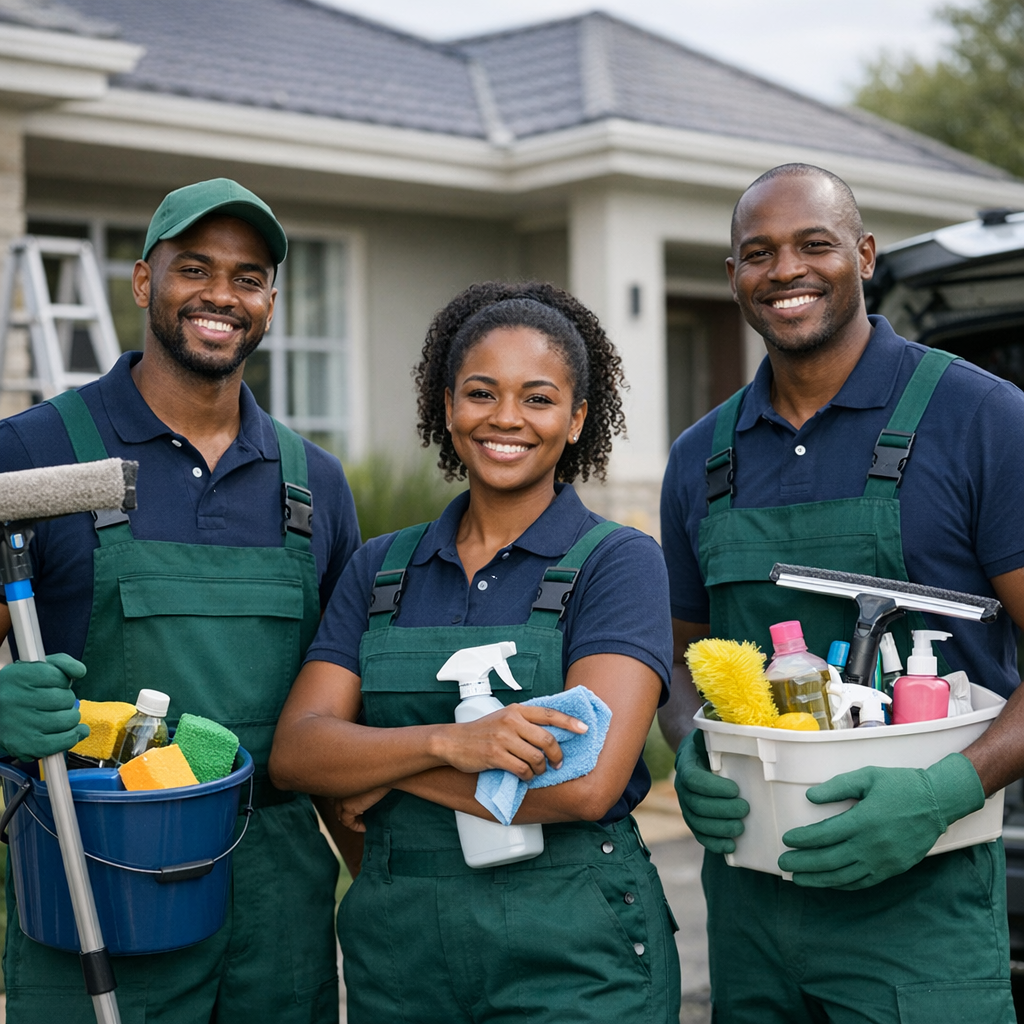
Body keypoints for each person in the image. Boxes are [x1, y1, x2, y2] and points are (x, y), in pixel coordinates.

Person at [659, 163, 1024, 1023]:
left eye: (814, 244)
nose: (785, 270)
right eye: (758, 253)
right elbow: (673, 654)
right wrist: (688, 745)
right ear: (733, 277)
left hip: (922, 906)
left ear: (863, 254)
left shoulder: (982, 418)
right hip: (752, 911)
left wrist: (946, 792)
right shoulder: (701, 459)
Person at [269, 281, 682, 1024]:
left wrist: (385, 769)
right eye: (482, 393)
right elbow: (297, 753)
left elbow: (588, 786)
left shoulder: (617, 564)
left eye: (539, 398)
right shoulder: (380, 571)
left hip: (575, 960)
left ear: (578, 416)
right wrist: (449, 743)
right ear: (447, 405)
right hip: (400, 963)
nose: (507, 420)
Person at [0, 179, 362, 1024]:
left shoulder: (314, 485)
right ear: (142, 281)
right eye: (193, 268)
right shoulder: (35, 450)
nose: (221, 296)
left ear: (269, 302)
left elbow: (348, 706)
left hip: (276, 899)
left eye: (247, 277)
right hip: (99, 877)